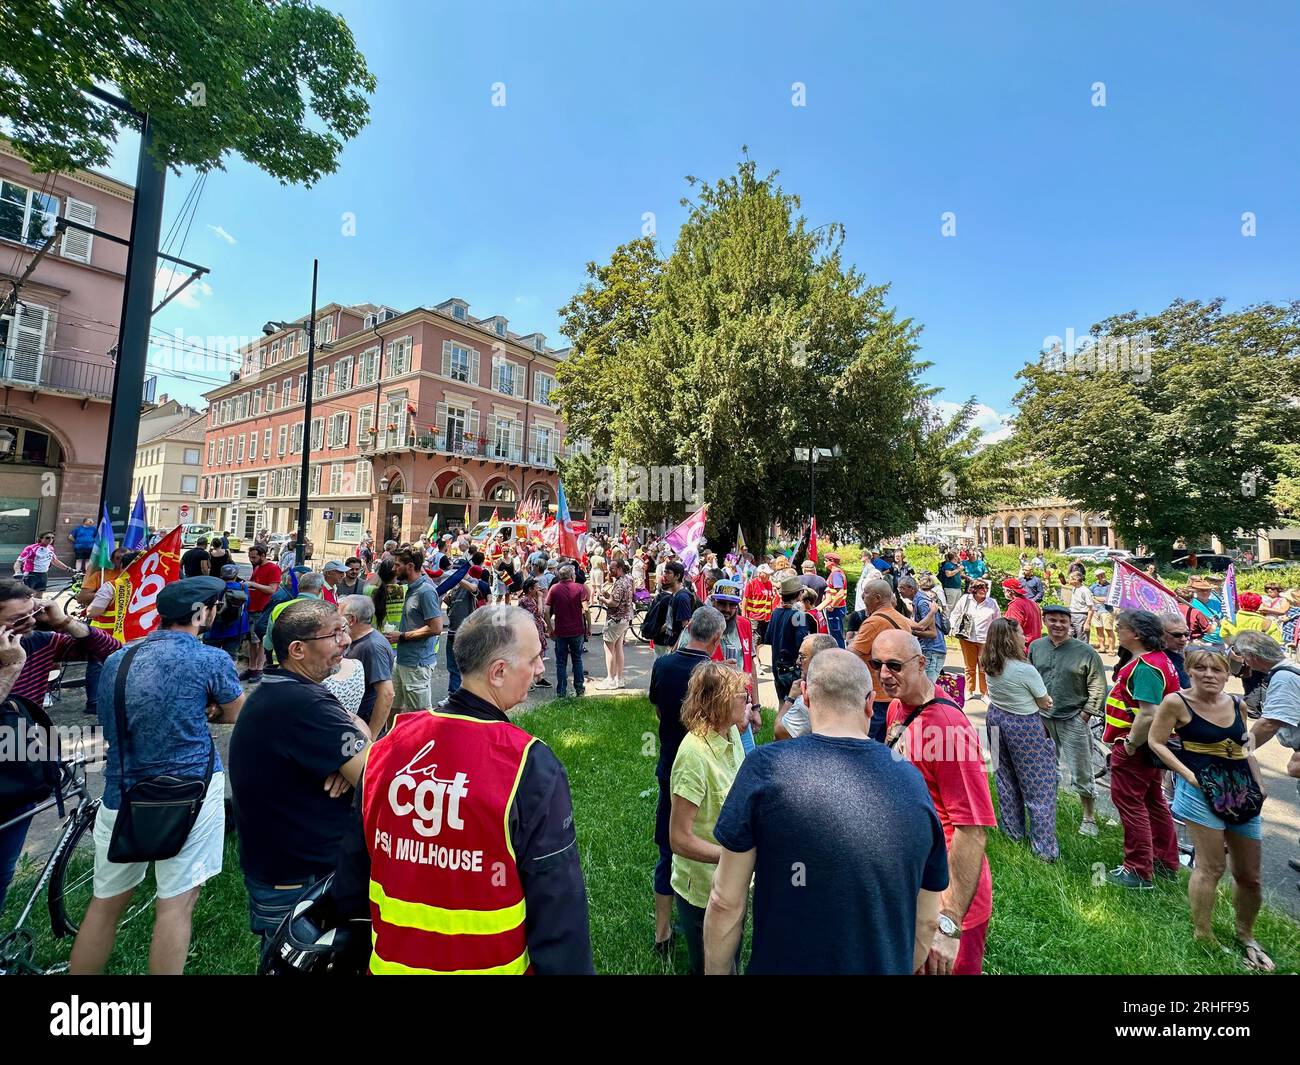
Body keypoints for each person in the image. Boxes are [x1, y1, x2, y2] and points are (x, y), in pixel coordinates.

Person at [331, 604, 594, 974]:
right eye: (535, 658)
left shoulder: (388, 745)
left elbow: (353, 870)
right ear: (498, 672)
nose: (539, 669)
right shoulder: (528, 764)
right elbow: (558, 904)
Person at [704, 649, 947, 974]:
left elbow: (725, 900)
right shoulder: (912, 780)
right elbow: (928, 919)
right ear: (868, 702)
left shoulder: (765, 767)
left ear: (806, 695)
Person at [69, 577, 245, 975]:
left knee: (105, 903)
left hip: (123, 790)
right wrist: (213, 709)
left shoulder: (120, 659)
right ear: (201, 613)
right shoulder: (209, 659)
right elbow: (237, 710)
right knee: (176, 903)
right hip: (190, 790)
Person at [229, 598, 370, 946]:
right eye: (334, 634)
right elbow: (376, 778)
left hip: (287, 867)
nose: (346, 640)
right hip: (300, 878)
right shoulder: (306, 705)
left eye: (344, 630)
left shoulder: (288, 689)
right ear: (297, 649)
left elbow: (358, 727)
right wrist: (354, 753)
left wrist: (351, 748)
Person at [1148, 642, 1273, 970]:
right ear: (1188, 670)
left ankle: (1245, 934)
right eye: (1200, 668)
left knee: (1250, 876)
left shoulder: (1237, 703)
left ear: (1227, 671)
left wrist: (1258, 782)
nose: (1208, 674)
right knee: (1212, 867)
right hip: (1201, 791)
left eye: (1216, 668)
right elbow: (1156, 741)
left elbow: (1245, 746)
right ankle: (1203, 934)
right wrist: (1188, 775)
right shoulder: (1176, 702)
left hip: (1241, 790)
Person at [876, 630, 995, 974]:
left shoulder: (948, 729)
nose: (885, 674)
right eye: (877, 664)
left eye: (895, 665)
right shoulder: (898, 707)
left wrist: (949, 922)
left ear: (921, 664)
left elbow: (972, 830)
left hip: (949, 899)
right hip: (913, 885)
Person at [0, 584, 119, 909]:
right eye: (15, 621)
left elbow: (111, 652)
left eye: (30, 617)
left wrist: (64, 622)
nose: (25, 627)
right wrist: (10, 667)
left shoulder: (39, 643)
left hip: (19, 774)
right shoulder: (14, 655)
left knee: (2, 873)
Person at [648, 606, 723, 955]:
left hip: (669, 765)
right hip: (706, 770)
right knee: (704, 839)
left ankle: (662, 933)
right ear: (717, 639)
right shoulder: (715, 675)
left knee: (668, 847)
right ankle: (710, 922)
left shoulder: (662, 664)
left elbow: (660, 710)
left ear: (689, 627)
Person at [668, 662, 749, 974]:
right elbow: (678, 838)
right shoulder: (693, 756)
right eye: (742, 696)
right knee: (710, 966)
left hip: (732, 881)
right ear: (719, 703)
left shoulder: (731, 736)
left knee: (732, 960)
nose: (749, 702)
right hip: (703, 889)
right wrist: (735, 858)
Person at [1102, 609, 1183, 889]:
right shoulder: (1156, 660)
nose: (1117, 630)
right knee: (1153, 802)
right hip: (1151, 748)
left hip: (1136, 748)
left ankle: (1137, 870)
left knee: (1131, 804)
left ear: (1135, 634)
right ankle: (1164, 861)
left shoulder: (1146, 667)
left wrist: (1130, 744)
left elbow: (1148, 713)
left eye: (1120, 627)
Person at [982, 618, 1059, 861]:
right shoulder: (1025, 670)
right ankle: (1044, 849)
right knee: (1040, 786)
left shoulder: (989, 663)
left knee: (1005, 778)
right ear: (1010, 637)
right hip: (1023, 724)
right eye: (1020, 633)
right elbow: (1044, 702)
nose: (1024, 636)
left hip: (995, 718)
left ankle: (1012, 832)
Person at [1031, 604, 1106, 837]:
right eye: (1052, 620)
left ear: (1070, 623)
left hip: (1073, 717)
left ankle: (1089, 817)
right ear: (1045, 621)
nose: (1058, 625)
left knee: (1081, 769)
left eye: (1062, 621)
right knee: (1045, 767)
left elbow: (1098, 685)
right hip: (1043, 717)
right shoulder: (1036, 646)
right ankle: (1047, 808)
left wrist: (1086, 714)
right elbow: (1029, 676)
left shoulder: (1086, 652)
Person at [849, 577, 929, 742]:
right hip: (895, 694)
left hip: (876, 695)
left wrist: (851, 642)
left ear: (877, 598)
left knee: (862, 744)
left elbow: (851, 656)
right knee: (887, 744)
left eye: (865, 595)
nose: (863, 599)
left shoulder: (873, 622)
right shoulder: (900, 618)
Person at [708, 578, 763, 752]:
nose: (727, 609)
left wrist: (755, 707)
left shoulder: (744, 625)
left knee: (746, 761)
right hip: (712, 707)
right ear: (713, 601)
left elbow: (750, 667)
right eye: (722, 603)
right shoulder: (699, 626)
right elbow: (688, 667)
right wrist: (717, 668)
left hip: (741, 706)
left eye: (732, 605)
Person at [387, 547, 444, 712]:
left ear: (410, 566)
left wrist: (402, 636)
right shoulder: (410, 588)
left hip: (417, 665)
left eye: (397, 565)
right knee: (393, 709)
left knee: (419, 716)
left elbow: (436, 627)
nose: (393, 569)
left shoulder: (425, 592)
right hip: (402, 660)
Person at [340, 595, 397, 736]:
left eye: (338, 614)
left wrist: (371, 737)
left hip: (364, 725)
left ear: (351, 619)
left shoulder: (373, 647)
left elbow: (387, 694)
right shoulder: (356, 640)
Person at [774, 632, 839, 740]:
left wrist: (790, 698)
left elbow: (779, 734)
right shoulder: (844, 686)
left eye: (802, 657)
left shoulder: (806, 701)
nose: (798, 662)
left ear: (819, 660)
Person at [948, 578, 1001, 702]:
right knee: (969, 666)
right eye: (981, 588)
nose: (984, 590)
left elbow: (997, 620)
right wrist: (952, 626)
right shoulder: (965, 599)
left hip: (985, 639)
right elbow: (955, 613)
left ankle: (985, 693)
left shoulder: (992, 602)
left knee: (984, 667)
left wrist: (997, 637)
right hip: (967, 638)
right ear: (974, 590)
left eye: (986, 588)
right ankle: (969, 690)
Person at [544, 563, 590, 699]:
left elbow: (546, 610)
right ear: (571, 575)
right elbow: (586, 609)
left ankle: (561, 692)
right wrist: (589, 627)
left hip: (561, 631)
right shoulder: (579, 588)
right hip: (577, 630)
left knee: (561, 662)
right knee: (577, 659)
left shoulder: (554, 588)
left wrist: (550, 628)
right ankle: (579, 689)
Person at [766, 574, 811, 705]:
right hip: (793, 669)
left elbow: (768, 638)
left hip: (777, 666)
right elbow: (802, 643)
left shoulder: (775, 612)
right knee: (794, 706)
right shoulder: (799, 615)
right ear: (798, 594)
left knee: (782, 704)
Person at [243, 544, 281, 683]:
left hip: (263, 610)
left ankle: (259, 669)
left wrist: (252, 585)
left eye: (254, 557)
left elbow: (272, 589)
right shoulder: (257, 567)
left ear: (263, 555)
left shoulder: (273, 568)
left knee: (260, 641)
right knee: (252, 641)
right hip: (252, 608)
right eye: (250, 557)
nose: (251, 560)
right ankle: (252, 667)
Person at [598, 558, 634, 690]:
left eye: (612, 568)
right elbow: (619, 598)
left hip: (616, 619)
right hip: (625, 618)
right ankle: (619, 678)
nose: (609, 570)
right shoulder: (628, 580)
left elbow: (614, 603)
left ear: (619, 569)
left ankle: (610, 679)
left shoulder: (619, 583)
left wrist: (602, 598)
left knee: (609, 649)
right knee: (618, 648)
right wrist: (609, 595)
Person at [907, 574, 949, 681]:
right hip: (933, 648)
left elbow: (931, 632)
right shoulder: (924, 599)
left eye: (901, 588)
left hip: (933, 649)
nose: (900, 591)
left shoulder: (922, 602)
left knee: (927, 686)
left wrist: (910, 631)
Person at [517, 577, 551, 689]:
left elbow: (539, 616)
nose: (539, 589)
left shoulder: (532, 598)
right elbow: (539, 612)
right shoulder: (524, 600)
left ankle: (539, 678)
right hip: (530, 630)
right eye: (537, 587)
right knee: (531, 655)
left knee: (540, 653)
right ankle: (528, 681)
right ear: (531, 589)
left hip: (538, 629)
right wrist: (541, 598)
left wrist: (544, 623)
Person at [1000, 577, 1043, 652]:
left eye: (1004, 590)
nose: (1003, 592)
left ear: (1010, 591)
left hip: (1022, 648)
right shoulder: (1033, 603)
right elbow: (1040, 626)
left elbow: (1013, 629)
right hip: (1035, 647)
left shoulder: (1015, 605)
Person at [1089, 569, 1117, 654]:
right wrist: (1097, 599)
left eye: (1102, 574)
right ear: (1097, 577)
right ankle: (1102, 647)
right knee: (1099, 628)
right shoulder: (1094, 586)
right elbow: (1090, 596)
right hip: (1096, 610)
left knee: (1108, 629)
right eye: (1099, 575)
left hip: (1107, 610)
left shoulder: (1110, 586)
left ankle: (1111, 648)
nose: (1101, 576)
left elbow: (1108, 599)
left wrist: (1096, 598)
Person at [1066, 570, 1093, 641]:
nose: (1068, 580)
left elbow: (1091, 608)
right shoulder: (1074, 588)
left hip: (1081, 616)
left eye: (1070, 579)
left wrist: (1087, 622)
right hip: (1071, 614)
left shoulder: (1085, 591)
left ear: (1076, 580)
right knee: (1069, 637)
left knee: (1082, 639)